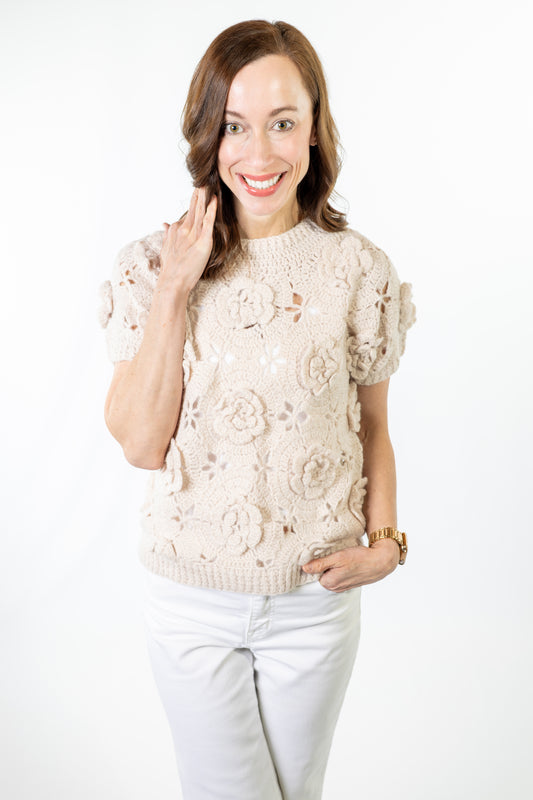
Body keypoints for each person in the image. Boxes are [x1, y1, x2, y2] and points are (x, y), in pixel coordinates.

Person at [98, 19, 416, 800]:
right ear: (209, 135)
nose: (260, 153)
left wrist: (386, 543)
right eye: (235, 126)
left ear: (314, 129)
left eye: (283, 122)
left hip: (315, 604)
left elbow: (374, 427)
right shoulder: (149, 266)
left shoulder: (357, 270)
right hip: (191, 602)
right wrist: (177, 285)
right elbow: (141, 443)